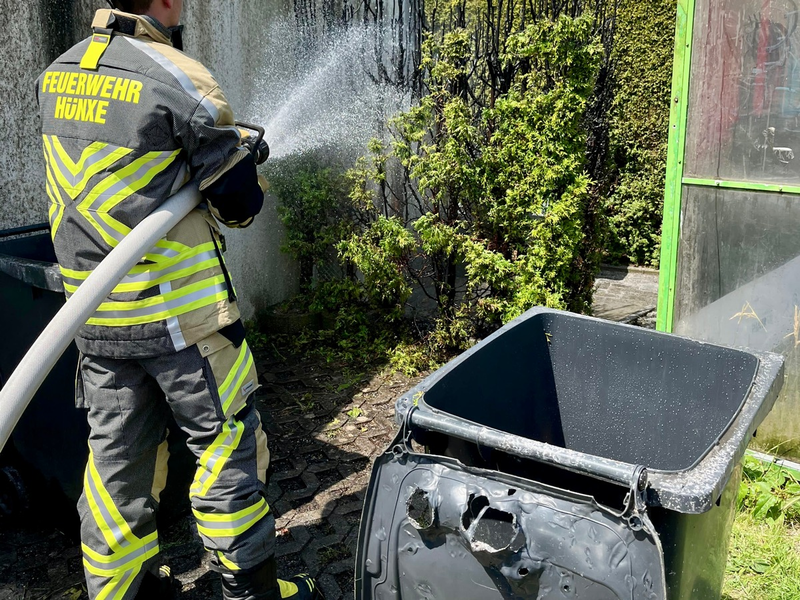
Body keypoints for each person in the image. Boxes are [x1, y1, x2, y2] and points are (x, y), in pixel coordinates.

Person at [35, 1, 321, 598]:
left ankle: (121, 592)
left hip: (97, 325)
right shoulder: (178, 78)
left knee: (116, 467)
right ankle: (249, 590)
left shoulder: (55, 76)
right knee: (227, 449)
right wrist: (241, 162)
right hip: (184, 324)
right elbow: (237, 206)